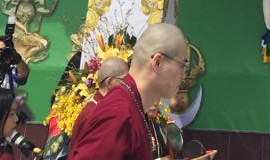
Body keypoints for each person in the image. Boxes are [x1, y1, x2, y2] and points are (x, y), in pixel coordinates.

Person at [68, 23, 189, 160]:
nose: (184, 75)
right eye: (182, 65)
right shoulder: (118, 113)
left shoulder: (135, 106)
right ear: (158, 63)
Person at [70, 56, 128, 144]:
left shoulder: (102, 107)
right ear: (109, 82)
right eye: (124, 80)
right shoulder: (95, 113)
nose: (128, 85)